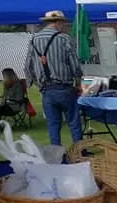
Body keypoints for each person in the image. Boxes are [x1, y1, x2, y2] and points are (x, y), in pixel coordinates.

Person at [25, 9, 84, 145]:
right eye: (63, 23)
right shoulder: (64, 38)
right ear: (58, 23)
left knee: (53, 125)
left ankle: (56, 155)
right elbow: (75, 65)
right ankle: (80, 152)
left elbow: (28, 66)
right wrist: (78, 83)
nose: (64, 26)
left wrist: (37, 84)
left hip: (46, 89)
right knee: (74, 122)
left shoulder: (34, 40)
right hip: (65, 87)